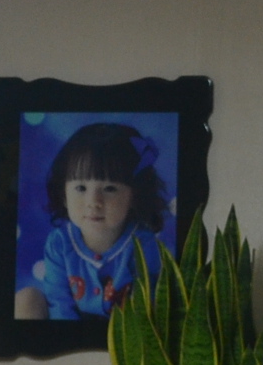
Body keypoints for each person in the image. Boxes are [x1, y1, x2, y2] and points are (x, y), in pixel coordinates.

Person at [14, 122, 171, 320]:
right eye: (81, 188)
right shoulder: (59, 243)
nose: (93, 202)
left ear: (134, 195)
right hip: (68, 327)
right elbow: (59, 302)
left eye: (109, 188)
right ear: (63, 195)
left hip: (121, 330)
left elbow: (145, 308)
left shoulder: (143, 244)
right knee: (26, 299)